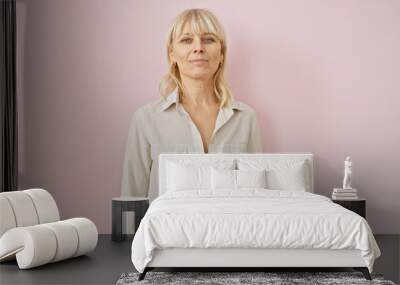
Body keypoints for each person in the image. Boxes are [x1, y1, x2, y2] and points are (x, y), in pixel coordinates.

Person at [121, 8, 263, 201]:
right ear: (172, 54)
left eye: (209, 39)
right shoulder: (145, 119)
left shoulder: (246, 118)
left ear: (222, 54)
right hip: (166, 231)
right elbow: (131, 200)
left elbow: (255, 195)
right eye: (187, 40)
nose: (198, 48)